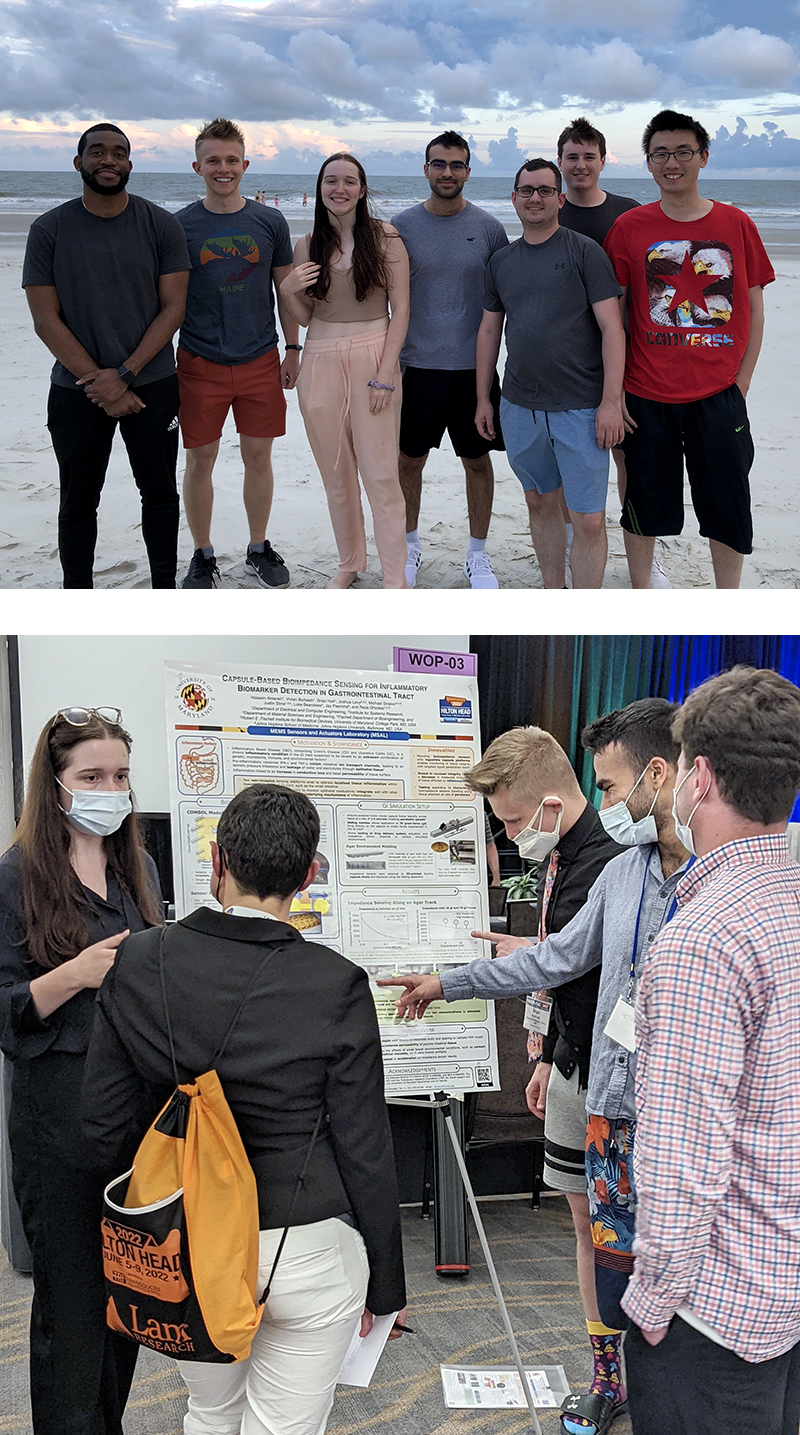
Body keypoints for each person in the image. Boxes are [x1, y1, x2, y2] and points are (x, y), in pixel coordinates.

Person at [381, 697, 690, 1435]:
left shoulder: (715, 878)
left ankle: (672, 1385)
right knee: (607, 1247)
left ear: (662, 774)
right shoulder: (626, 878)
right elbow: (556, 959)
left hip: (682, 1108)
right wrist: (449, 980)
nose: (608, 801)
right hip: (609, 1099)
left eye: (611, 787)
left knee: (675, 1251)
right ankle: (613, 1379)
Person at [82, 783, 407, 1435]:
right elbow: (364, 1144)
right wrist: (387, 1286)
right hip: (305, 1245)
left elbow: (101, 1125)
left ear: (215, 859)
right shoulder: (335, 982)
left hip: (184, 1239)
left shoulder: (139, 961)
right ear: (310, 875)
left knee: (210, 1410)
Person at [619, 669, 800, 1435]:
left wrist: (652, 1301)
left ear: (698, 776)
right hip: (782, 1290)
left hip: (714, 1309)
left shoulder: (703, 938)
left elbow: (684, 1155)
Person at [0, 707, 164, 1435]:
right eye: (92, 775)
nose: (110, 787)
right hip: (56, 1122)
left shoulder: (139, 864)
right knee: (70, 1311)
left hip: (134, 1119)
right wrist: (73, 974)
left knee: (128, 1301)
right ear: (57, 785)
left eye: (121, 775)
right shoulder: (14, 876)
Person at [465, 728, 623, 1409]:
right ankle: (605, 1373)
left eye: (510, 820)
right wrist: (545, 1053)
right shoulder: (558, 857)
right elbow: (560, 972)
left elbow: (563, 960)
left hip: (619, 1083)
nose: (506, 835)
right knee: (585, 1227)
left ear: (551, 804)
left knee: (619, 1235)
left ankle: (636, 1369)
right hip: (570, 1064)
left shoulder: (619, 862)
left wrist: (521, 958)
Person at [603, 109, 775, 590]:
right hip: (645, 394)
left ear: (702, 157)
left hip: (718, 395)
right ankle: (641, 593)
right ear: (649, 163)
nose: (671, 162)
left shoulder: (736, 223)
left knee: (728, 510)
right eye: (660, 154)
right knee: (643, 509)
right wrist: (614, 392)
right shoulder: (629, 228)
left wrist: (741, 382)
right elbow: (614, 316)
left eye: (682, 152)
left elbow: (755, 310)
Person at [22, 123, 190, 589]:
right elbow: (45, 320)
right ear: (79, 162)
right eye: (97, 152)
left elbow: (173, 308)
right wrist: (101, 382)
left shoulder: (161, 225)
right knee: (78, 500)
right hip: (76, 389)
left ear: (130, 165)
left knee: (159, 494)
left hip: (152, 384)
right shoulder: (49, 229)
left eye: (119, 153)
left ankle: (163, 590)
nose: (108, 160)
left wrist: (126, 373)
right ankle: (78, 593)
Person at [475, 159, 626, 589]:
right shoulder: (501, 261)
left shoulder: (584, 252)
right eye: (526, 190)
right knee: (539, 502)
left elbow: (612, 328)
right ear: (514, 198)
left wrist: (611, 403)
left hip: (580, 408)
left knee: (588, 520)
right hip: (520, 406)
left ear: (560, 198)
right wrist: (484, 397)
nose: (534, 198)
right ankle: (552, 590)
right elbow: (489, 330)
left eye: (544, 190)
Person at [176, 118, 299, 590]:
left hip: (260, 359)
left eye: (231, 160)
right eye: (213, 161)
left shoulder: (269, 221)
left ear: (244, 165)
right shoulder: (179, 225)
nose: (223, 168)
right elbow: (169, 297)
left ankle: (257, 547)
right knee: (199, 460)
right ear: (197, 166)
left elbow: (285, 291)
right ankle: (202, 554)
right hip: (200, 361)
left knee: (258, 457)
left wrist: (292, 349)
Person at [280, 153, 410, 589]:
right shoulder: (307, 244)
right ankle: (350, 562)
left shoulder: (386, 237)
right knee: (336, 472)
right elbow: (303, 314)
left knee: (380, 474)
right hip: (319, 355)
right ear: (319, 188)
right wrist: (286, 289)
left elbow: (402, 310)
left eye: (349, 181)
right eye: (331, 181)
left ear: (362, 188)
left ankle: (395, 575)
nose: (340, 189)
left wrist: (387, 372)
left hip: (372, 354)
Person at [390, 131, 509, 589]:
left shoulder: (490, 228)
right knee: (409, 462)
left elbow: (502, 303)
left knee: (477, 462)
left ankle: (477, 554)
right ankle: (409, 546)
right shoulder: (400, 226)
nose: (447, 172)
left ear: (467, 172)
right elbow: (385, 299)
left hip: (472, 372)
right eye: (438, 164)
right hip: (415, 368)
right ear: (425, 169)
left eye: (456, 165)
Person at [555, 119, 668, 592]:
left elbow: (647, 292)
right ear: (559, 163)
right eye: (571, 157)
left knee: (629, 460)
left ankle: (645, 556)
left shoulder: (629, 215)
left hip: (625, 360)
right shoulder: (548, 210)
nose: (580, 165)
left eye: (588, 156)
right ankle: (569, 548)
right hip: (563, 362)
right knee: (567, 464)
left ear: (603, 161)